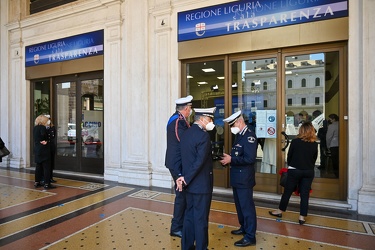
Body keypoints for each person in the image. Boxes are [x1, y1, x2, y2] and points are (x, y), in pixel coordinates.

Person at [176, 107, 216, 250]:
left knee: (189, 216)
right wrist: (186, 178)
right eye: (210, 119)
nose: (211, 122)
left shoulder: (186, 133)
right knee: (200, 219)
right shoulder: (203, 136)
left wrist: (182, 178)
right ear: (202, 119)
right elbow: (199, 162)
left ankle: (186, 246)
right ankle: (201, 247)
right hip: (201, 185)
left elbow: (182, 158)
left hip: (189, 185)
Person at [220, 110, 258, 247]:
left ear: (240, 122)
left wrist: (232, 159)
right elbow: (238, 155)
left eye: (232, 125)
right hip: (237, 178)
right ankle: (244, 227)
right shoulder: (240, 136)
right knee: (240, 206)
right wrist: (228, 159)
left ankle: (250, 236)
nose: (231, 128)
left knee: (247, 207)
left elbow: (249, 158)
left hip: (244, 179)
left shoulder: (249, 137)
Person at [269, 122, 318, 225]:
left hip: (295, 170)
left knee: (287, 191)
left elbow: (289, 156)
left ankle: (280, 211)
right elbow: (314, 159)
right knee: (304, 194)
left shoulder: (295, 142)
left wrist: (293, 164)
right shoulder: (314, 144)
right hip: (308, 171)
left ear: (301, 130)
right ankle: (302, 217)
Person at [165, 95, 193, 238]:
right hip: (177, 164)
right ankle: (176, 227)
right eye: (190, 108)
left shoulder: (176, 119)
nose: (191, 111)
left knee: (182, 195)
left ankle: (178, 223)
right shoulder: (178, 122)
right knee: (181, 195)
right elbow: (185, 142)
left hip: (176, 163)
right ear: (186, 109)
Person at [33, 115, 56, 189]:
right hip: (44, 150)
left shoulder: (35, 128)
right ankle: (47, 183)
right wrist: (45, 141)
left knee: (38, 166)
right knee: (46, 167)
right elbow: (44, 136)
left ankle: (37, 182)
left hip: (37, 149)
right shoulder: (43, 128)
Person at [45, 115, 57, 183]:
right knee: (47, 163)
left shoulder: (52, 127)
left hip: (51, 146)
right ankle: (46, 178)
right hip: (46, 147)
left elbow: (53, 136)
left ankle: (50, 177)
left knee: (51, 163)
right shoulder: (44, 128)